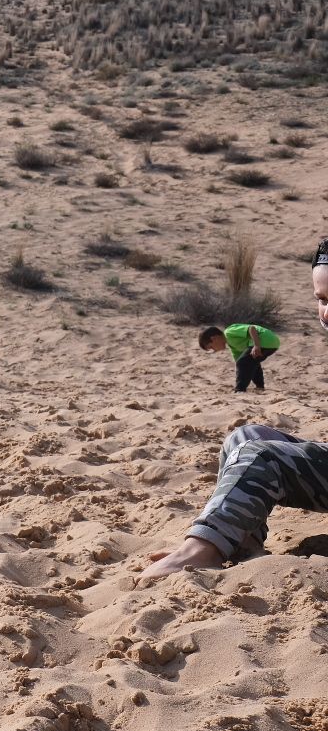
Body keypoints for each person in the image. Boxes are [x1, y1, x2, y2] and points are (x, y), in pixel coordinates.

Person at [141, 239, 328, 581]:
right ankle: (238, 542)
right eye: (322, 299)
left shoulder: (235, 332)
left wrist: (255, 349)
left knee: (262, 456)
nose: (327, 311)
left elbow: (254, 334)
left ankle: (201, 551)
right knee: (243, 437)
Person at [199, 322, 280, 393]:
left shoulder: (228, 332)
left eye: (211, 347)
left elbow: (251, 328)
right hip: (273, 343)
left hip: (264, 340)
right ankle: (260, 387)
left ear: (214, 338)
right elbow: (240, 365)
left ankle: (240, 390)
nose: (214, 350)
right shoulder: (233, 346)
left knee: (243, 363)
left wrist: (256, 345)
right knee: (252, 363)